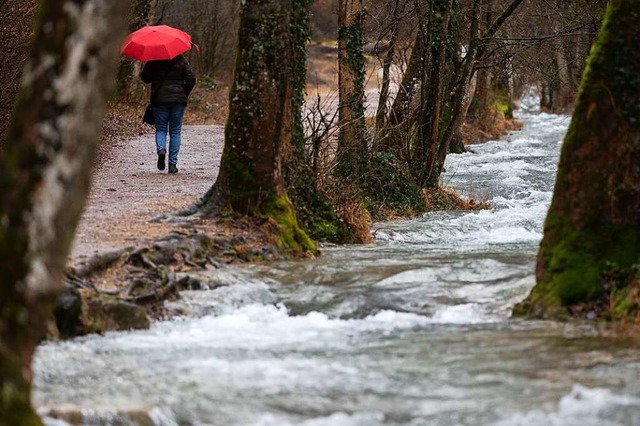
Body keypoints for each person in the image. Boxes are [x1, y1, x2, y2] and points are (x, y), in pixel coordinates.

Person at [141, 54, 196, 174]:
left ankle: (161, 150)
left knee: (161, 129)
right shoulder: (181, 60)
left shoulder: (153, 59)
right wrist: (183, 92)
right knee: (175, 131)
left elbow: (145, 78)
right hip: (178, 101)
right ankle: (172, 164)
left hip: (159, 100)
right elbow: (192, 79)